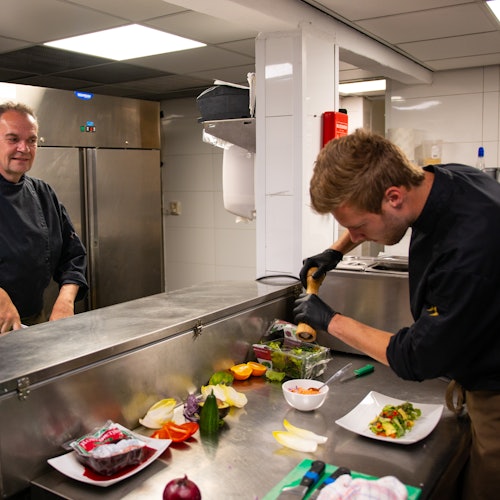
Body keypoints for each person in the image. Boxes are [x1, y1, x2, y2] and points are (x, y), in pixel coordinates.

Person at [294, 128, 500, 500]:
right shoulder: (442, 178)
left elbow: (417, 357)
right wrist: (336, 251)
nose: (355, 235)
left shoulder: (466, 250)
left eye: (357, 227)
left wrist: (329, 319)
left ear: (393, 198)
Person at [0, 101, 88, 335]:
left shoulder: (42, 193)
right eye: (13, 139)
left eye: (31, 140)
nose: (24, 148)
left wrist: (66, 300)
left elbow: (74, 255)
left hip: (32, 321)